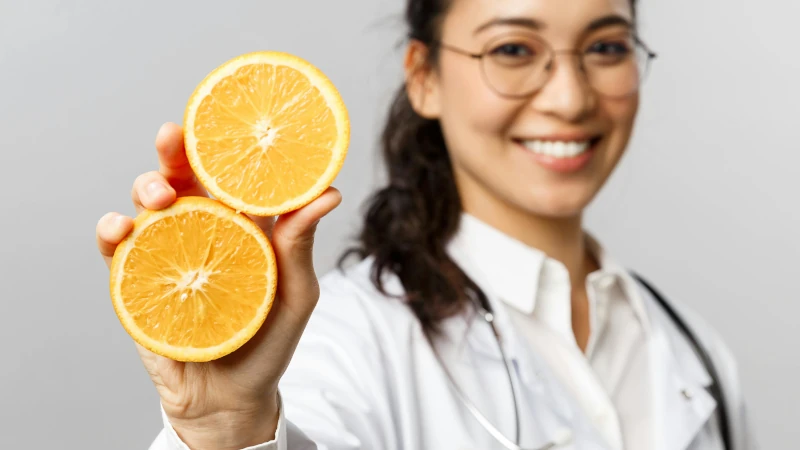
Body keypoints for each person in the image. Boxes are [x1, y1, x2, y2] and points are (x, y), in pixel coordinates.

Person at [96, 0, 758, 448]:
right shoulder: (345, 341)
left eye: (607, 46)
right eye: (513, 49)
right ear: (424, 77)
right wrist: (226, 425)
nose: (570, 97)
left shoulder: (692, 350)